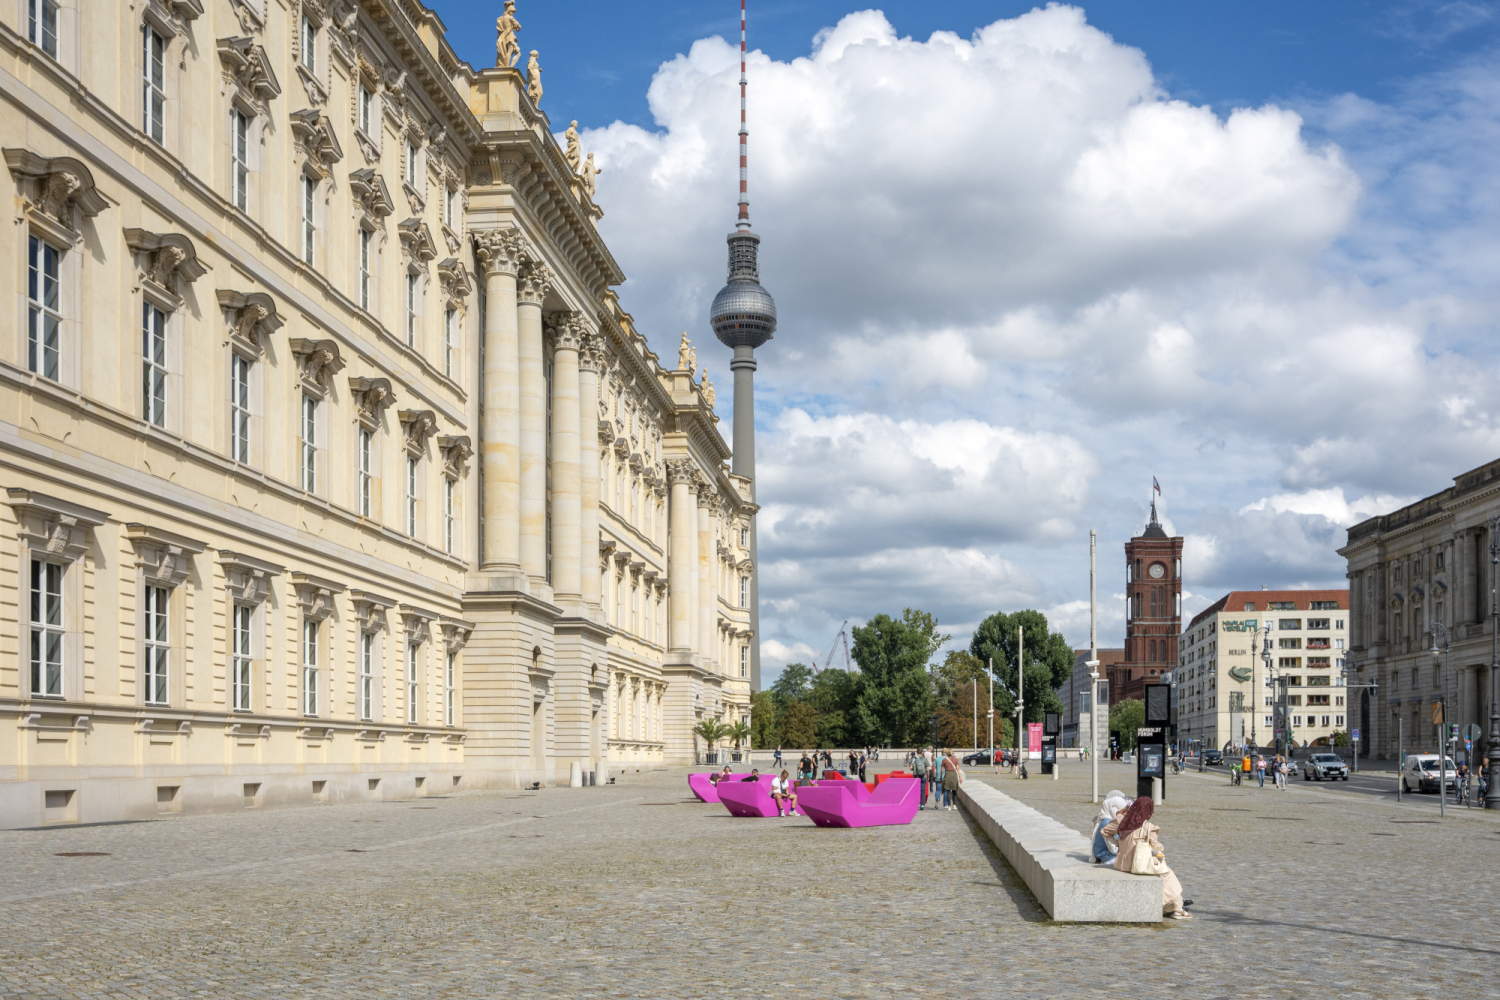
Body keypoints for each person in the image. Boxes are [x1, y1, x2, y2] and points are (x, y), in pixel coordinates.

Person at [1103, 797, 1191, 919]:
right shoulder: (1148, 827)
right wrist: (1160, 849)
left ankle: (1175, 908)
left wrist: (1118, 844)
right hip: (1139, 864)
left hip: (1122, 864)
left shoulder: (1121, 821)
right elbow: (1155, 849)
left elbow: (1105, 831)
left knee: (1165, 875)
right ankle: (1176, 908)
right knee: (1167, 875)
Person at [1092, 790, 1132, 864]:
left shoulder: (1109, 820)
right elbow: (1113, 849)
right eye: (1124, 811)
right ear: (1115, 809)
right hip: (1106, 856)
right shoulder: (1107, 823)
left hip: (1108, 854)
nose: (1125, 813)